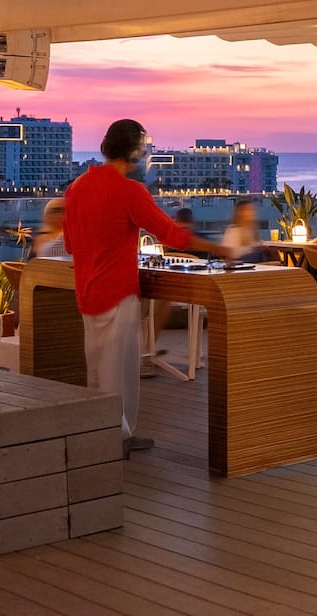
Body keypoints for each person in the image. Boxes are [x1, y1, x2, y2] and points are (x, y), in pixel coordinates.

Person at [62, 119, 239, 455]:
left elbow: (70, 244)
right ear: (134, 152)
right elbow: (172, 235)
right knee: (120, 371)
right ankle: (117, 439)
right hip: (117, 290)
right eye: (143, 149)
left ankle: (104, 434)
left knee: (97, 369)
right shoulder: (129, 191)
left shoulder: (77, 187)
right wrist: (220, 249)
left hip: (86, 289)